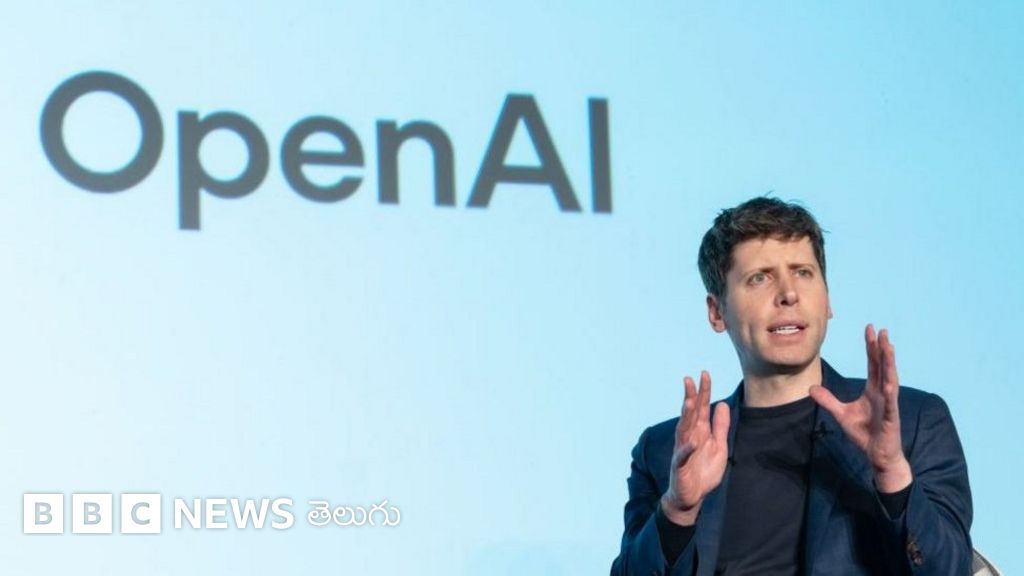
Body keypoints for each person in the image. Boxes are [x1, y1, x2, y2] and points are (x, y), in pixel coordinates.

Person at [610, 197, 972, 575]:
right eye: (760, 277)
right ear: (717, 312)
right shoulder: (665, 449)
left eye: (803, 273)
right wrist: (677, 510)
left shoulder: (913, 421)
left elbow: (949, 569)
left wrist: (892, 470)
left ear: (827, 299)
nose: (789, 293)